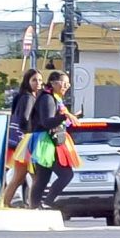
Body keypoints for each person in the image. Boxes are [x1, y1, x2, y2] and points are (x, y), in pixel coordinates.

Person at [28, 70, 79, 209]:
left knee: (43, 178)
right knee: (66, 174)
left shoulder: (54, 98)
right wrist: (64, 116)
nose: (66, 86)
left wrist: (68, 118)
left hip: (50, 139)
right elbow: (46, 122)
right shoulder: (48, 98)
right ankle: (46, 203)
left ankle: (35, 207)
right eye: (63, 83)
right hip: (47, 142)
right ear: (53, 83)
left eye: (68, 84)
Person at [2, 69, 42, 208]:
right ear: (27, 81)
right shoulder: (29, 97)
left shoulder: (20, 96)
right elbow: (24, 119)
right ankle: (34, 205)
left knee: (20, 177)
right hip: (26, 142)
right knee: (35, 176)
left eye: (40, 80)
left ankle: (6, 203)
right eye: (34, 80)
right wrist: (32, 130)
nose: (38, 83)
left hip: (19, 142)